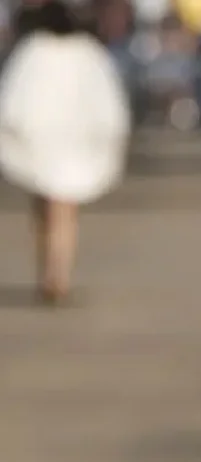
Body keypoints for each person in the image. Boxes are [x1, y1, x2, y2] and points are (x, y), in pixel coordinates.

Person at [0, 0, 130, 304]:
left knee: (46, 210)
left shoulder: (34, 51)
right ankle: (59, 273)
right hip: (74, 142)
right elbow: (108, 103)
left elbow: (13, 101)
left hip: (42, 143)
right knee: (66, 211)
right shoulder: (89, 54)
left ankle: (50, 272)